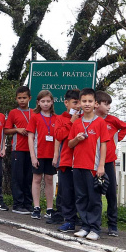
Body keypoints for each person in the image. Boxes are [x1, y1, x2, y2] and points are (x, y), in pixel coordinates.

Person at [67, 88, 109, 240]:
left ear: (95, 103)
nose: (87, 104)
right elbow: (70, 144)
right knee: (81, 197)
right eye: (84, 101)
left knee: (94, 199)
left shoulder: (100, 122)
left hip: (93, 167)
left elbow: (103, 144)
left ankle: (95, 228)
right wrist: (76, 139)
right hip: (78, 165)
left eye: (90, 101)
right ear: (79, 103)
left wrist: (101, 166)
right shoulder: (77, 123)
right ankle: (85, 226)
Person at [95, 90, 126, 237]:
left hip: (109, 161)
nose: (109, 107)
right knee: (94, 193)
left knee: (111, 194)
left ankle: (112, 224)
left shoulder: (112, 120)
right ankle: (94, 223)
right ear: (97, 104)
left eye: (109, 104)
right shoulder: (90, 119)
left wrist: (116, 139)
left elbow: (125, 126)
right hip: (93, 161)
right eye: (106, 104)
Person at [53, 89, 81, 232]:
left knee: (81, 192)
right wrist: (71, 122)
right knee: (67, 192)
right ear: (66, 103)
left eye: (79, 103)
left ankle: (83, 219)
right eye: (75, 103)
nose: (78, 106)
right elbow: (58, 135)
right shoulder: (61, 118)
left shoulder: (85, 118)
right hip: (66, 161)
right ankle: (69, 220)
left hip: (82, 162)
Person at [29, 89, 59, 220]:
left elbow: (58, 137)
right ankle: (36, 207)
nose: (45, 103)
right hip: (38, 153)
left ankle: (49, 208)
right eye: (43, 101)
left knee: (49, 179)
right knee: (36, 179)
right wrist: (33, 156)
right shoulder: (35, 117)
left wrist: (56, 155)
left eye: (48, 101)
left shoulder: (56, 118)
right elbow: (30, 137)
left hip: (51, 154)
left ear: (52, 102)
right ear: (38, 102)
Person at [4, 86, 34, 215]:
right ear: (16, 99)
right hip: (18, 149)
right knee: (18, 177)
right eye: (19, 98)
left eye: (24, 98)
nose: (22, 100)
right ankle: (18, 204)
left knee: (29, 178)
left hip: (32, 150)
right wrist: (17, 130)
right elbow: (6, 130)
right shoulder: (13, 113)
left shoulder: (34, 112)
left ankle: (28, 203)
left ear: (29, 98)